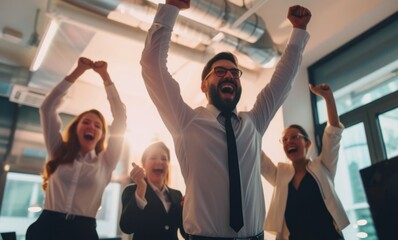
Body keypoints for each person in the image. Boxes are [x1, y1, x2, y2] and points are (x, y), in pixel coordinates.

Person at [140, 0, 311, 238]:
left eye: (234, 73)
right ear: (204, 85)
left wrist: (298, 31)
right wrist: (170, 8)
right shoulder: (186, 121)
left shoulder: (254, 123)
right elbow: (152, 66)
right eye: (219, 71)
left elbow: (282, 81)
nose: (229, 75)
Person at [26, 57, 127, 240]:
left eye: (98, 126)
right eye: (86, 122)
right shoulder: (57, 150)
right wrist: (78, 71)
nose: (91, 127)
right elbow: (47, 108)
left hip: (83, 232)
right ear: (76, 128)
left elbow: (120, 118)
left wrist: (105, 77)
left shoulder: (106, 161)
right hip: (46, 227)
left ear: (102, 135)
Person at [261, 83, 350, 240]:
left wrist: (328, 98)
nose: (289, 142)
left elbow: (333, 133)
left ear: (307, 143)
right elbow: (258, 158)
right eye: (285, 139)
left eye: (295, 137)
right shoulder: (280, 174)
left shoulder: (323, 166)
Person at [120, 141, 187, 240]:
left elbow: (186, 233)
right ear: (144, 164)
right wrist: (141, 189)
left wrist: (190, 211)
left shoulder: (177, 195)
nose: (159, 162)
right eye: (153, 158)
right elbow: (127, 227)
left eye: (164, 159)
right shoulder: (132, 190)